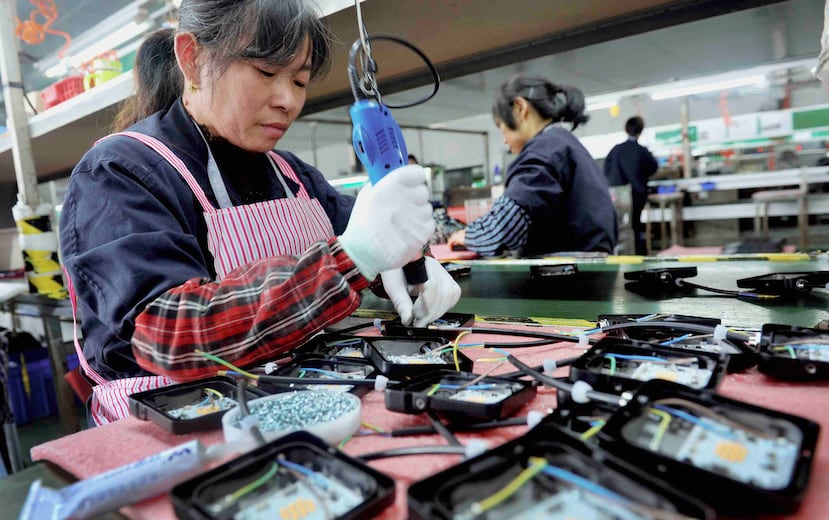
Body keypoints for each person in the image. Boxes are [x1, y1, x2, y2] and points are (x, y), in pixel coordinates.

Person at [59, 0, 460, 425]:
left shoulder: (292, 174)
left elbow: (361, 236)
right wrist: (352, 258)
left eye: (300, 81)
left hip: (297, 409)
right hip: (180, 433)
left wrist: (406, 263)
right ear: (192, 60)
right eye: (267, 73)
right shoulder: (120, 173)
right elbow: (168, 334)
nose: (288, 100)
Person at [447, 74, 616, 256]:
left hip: (566, 275)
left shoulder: (544, 149)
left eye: (500, 126)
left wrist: (467, 235)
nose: (504, 140)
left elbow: (504, 228)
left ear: (520, 108)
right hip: (589, 270)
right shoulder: (565, 144)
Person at [603, 116, 658, 255]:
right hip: (636, 194)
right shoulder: (641, 151)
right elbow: (653, 167)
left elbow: (606, 169)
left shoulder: (616, 150)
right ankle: (638, 254)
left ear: (626, 129)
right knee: (635, 225)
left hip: (617, 195)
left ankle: (620, 253)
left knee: (619, 225)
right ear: (641, 131)